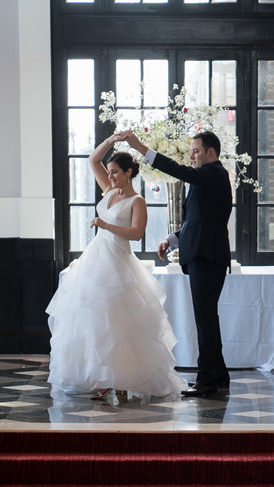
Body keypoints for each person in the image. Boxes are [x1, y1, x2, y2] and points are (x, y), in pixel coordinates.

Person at [46, 133, 186, 405]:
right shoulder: (108, 190)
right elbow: (93, 159)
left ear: (129, 173)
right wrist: (113, 139)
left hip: (119, 264)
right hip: (95, 261)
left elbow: (136, 234)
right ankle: (104, 379)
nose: (109, 176)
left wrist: (105, 225)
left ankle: (124, 380)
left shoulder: (138, 201)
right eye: (108, 172)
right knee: (96, 321)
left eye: (115, 172)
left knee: (121, 323)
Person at [124, 129, 232, 398]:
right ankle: (218, 374)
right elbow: (198, 220)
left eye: (196, 151)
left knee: (205, 319)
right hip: (204, 254)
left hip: (207, 257)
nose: (192, 155)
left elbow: (180, 172)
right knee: (207, 318)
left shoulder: (214, 173)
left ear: (211, 152)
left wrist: (140, 147)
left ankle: (207, 380)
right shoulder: (206, 179)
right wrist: (173, 239)